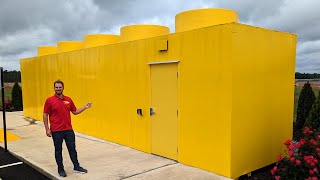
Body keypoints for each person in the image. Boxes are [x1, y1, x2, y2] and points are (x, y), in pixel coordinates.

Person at [43, 80, 92, 177]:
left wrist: (85, 107)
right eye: (56, 87)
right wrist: (47, 129)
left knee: (72, 149)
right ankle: (60, 169)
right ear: (54, 88)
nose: (58, 89)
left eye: (60, 87)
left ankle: (76, 167)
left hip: (68, 130)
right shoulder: (49, 100)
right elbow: (45, 115)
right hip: (56, 131)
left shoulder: (68, 99)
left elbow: (75, 111)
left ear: (63, 88)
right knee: (58, 150)